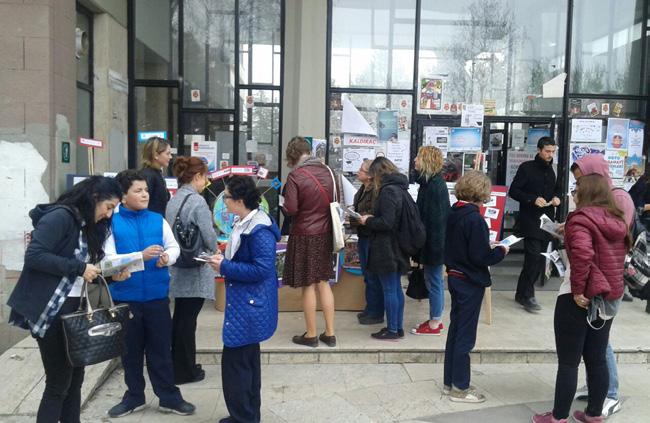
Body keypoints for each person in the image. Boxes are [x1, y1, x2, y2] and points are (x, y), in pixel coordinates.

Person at [7, 176, 122, 423]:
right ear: (94, 198)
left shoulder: (89, 226)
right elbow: (35, 256)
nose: (109, 214)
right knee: (58, 383)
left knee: (75, 379)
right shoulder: (60, 217)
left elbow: (86, 273)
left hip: (76, 309)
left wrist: (113, 277)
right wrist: (79, 268)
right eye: (108, 207)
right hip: (50, 310)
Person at [533, 174, 630, 423]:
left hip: (577, 297)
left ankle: (558, 417)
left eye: (576, 189)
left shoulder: (580, 219)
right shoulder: (617, 219)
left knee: (568, 362)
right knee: (597, 358)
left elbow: (583, 257)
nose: (573, 193)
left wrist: (579, 292)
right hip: (607, 296)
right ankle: (594, 414)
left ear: (585, 193)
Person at [105, 170, 195, 418]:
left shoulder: (157, 219)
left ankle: (168, 397)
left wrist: (168, 258)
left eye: (145, 190)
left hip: (157, 297)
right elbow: (108, 261)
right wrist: (139, 257)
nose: (144, 194)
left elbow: (174, 246)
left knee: (161, 351)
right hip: (126, 298)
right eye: (138, 190)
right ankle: (134, 397)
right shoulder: (112, 222)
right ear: (123, 196)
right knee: (130, 352)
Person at [207, 176, 280, 423]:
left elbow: (262, 270)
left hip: (249, 306)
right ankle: (247, 415)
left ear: (238, 200)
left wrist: (225, 266)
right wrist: (225, 254)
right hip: (245, 305)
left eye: (226, 197)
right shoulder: (245, 221)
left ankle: (244, 417)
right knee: (244, 364)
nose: (223, 201)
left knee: (237, 366)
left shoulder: (259, 230)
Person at [568, 154, 634, 417]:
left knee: (600, 343)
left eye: (580, 181)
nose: (578, 187)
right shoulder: (606, 202)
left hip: (604, 282)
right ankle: (596, 386)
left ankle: (610, 393)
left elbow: (609, 242)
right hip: (603, 280)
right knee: (594, 342)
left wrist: (581, 228)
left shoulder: (620, 199)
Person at [443, 171, 508, 403]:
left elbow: (464, 246)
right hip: (470, 280)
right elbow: (481, 257)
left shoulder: (454, 212)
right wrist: (500, 250)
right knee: (466, 335)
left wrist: (485, 245)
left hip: (455, 275)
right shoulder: (474, 218)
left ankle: (449, 381)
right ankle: (460, 387)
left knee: (455, 330)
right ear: (481, 192)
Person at [165, 156, 217, 385]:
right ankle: (185, 370)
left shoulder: (174, 200)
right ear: (197, 177)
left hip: (178, 267)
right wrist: (216, 249)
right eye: (204, 176)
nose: (205, 181)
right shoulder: (197, 202)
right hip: (195, 268)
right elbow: (209, 236)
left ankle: (177, 365)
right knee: (187, 322)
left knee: (180, 319)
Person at [282, 136, 337, 348]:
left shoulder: (296, 176)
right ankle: (330, 333)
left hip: (304, 234)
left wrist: (284, 205)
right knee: (323, 283)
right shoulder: (329, 172)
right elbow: (335, 202)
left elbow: (292, 209)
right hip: (325, 234)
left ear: (293, 155)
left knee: (307, 285)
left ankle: (311, 334)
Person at [358, 157, 410, 340]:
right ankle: (398, 327)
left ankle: (393, 329)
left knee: (390, 289)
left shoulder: (388, 192)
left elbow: (387, 222)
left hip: (387, 247)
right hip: (397, 246)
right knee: (395, 288)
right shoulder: (400, 188)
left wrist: (369, 220)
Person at [509, 136, 562, 312]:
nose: (550, 155)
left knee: (539, 259)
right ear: (539, 150)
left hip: (547, 221)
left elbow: (556, 190)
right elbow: (514, 191)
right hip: (530, 220)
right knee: (533, 257)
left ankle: (521, 292)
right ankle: (528, 296)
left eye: (553, 151)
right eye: (547, 151)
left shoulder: (552, 170)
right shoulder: (527, 168)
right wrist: (532, 199)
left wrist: (556, 199)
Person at [411, 146, 450, 336]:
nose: (414, 160)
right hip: (433, 244)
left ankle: (435, 322)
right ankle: (436, 318)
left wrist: (429, 251)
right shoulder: (429, 184)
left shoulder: (434, 186)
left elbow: (436, 222)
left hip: (435, 245)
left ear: (426, 160)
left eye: (418, 157)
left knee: (434, 281)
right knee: (432, 280)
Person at [352, 159, 383, 325]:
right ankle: (370, 308)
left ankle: (375, 311)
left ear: (370, 176)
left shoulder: (375, 191)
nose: (358, 172)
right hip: (363, 234)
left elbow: (372, 213)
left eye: (361, 170)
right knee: (367, 274)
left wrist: (360, 217)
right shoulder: (363, 189)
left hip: (371, 236)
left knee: (372, 275)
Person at [141, 136, 172, 215]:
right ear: (156, 155)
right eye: (167, 153)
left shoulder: (156, 174)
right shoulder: (148, 175)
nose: (170, 157)